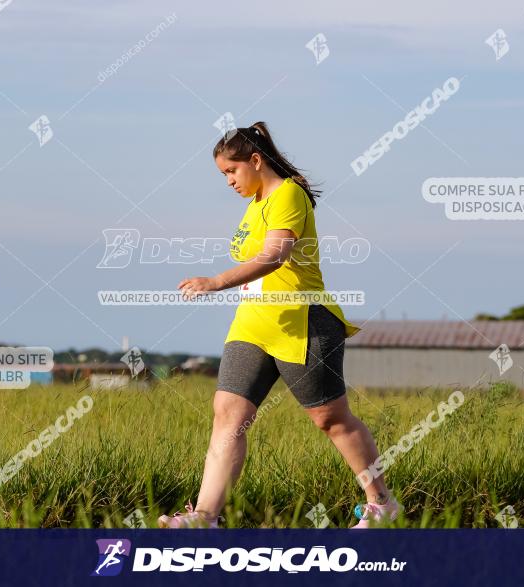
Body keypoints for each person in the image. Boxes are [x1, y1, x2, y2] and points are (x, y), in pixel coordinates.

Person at [160, 122, 401, 529]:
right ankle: (205, 517)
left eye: (231, 171)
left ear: (255, 160)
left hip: (301, 320)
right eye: (223, 175)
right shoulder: (254, 204)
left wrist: (216, 281)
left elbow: (275, 256)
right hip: (253, 324)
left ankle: (381, 504)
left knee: (331, 419)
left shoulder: (288, 194)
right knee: (227, 415)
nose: (229, 181)